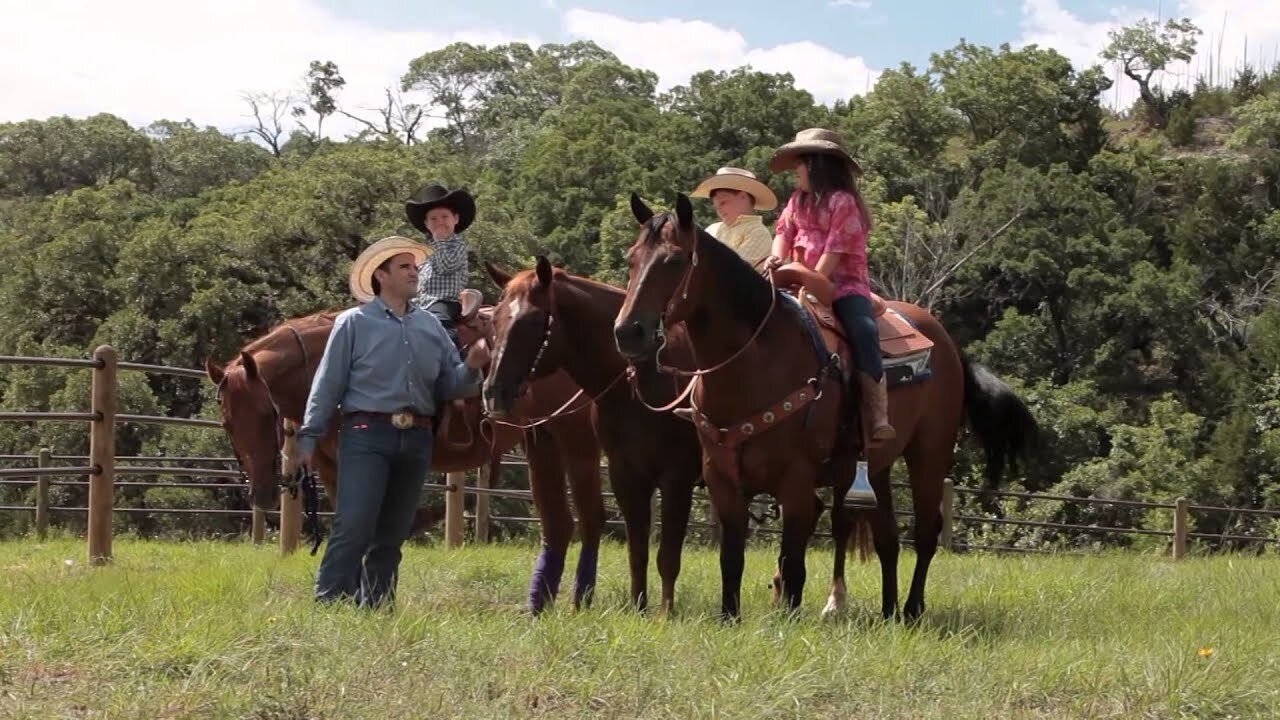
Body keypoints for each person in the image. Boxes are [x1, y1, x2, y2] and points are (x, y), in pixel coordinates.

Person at [297, 235, 490, 609]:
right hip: (366, 433)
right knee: (354, 522)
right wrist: (310, 436)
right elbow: (328, 383)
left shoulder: (431, 327)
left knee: (393, 531)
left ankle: (378, 605)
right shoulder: (353, 323)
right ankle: (330, 602)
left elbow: (450, 385)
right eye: (405, 267)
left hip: (417, 436)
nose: (414, 273)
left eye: (415, 267)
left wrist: (471, 367)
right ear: (381, 276)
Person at [766, 127, 895, 461]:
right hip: (796, 278)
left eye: (801, 163)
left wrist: (811, 280)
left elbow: (832, 255)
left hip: (842, 286)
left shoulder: (844, 202)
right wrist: (777, 258)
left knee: (864, 330)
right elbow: (783, 231)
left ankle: (877, 413)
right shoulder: (798, 200)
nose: (795, 170)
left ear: (819, 165)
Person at [406, 182, 476, 349]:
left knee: (440, 323)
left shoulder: (457, 246)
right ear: (426, 224)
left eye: (445, 217)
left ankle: (455, 362)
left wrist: (440, 242)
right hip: (420, 303)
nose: (439, 222)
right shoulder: (424, 252)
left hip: (445, 301)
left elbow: (445, 266)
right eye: (433, 218)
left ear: (456, 219)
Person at [689, 167, 777, 269]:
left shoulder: (757, 232)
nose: (719, 210)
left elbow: (735, 268)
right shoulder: (712, 229)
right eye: (716, 206)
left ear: (743, 197)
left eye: (723, 202)